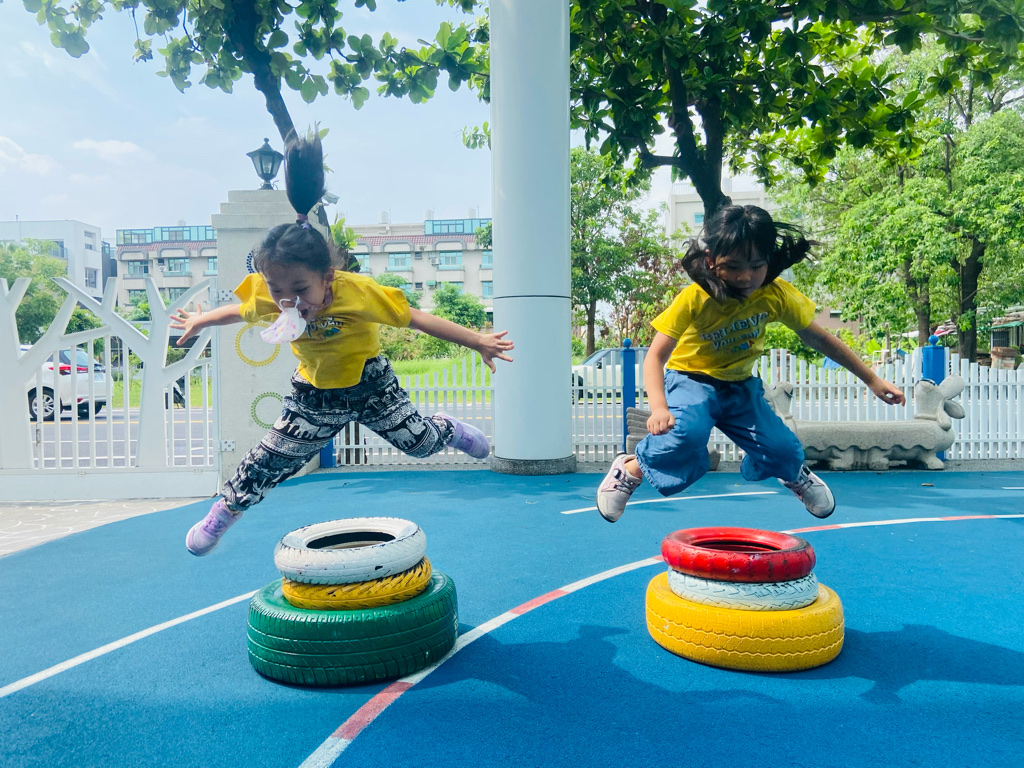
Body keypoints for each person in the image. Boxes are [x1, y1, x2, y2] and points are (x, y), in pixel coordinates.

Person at [172, 133, 513, 556]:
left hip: (371, 385)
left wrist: (477, 340)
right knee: (269, 458)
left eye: (301, 289)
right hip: (314, 394)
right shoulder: (271, 293)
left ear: (327, 277)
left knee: (420, 444)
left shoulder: (358, 293)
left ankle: (448, 428)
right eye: (278, 290)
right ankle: (223, 512)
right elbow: (238, 311)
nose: (289, 301)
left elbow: (416, 319)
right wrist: (200, 319)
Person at [596, 204, 905, 523]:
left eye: (756, 266)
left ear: (768, 261)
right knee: (685, 437)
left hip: (740, 388)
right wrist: (659, 408)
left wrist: (872, 379)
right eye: (732, 266)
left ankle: (792, 472)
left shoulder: (775, 295)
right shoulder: (696, 297)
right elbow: (655, 356)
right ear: (710, 260)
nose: (745, 277)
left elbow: (820, 339)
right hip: (691, 381)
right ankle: (628, 469)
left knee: (783, 450)